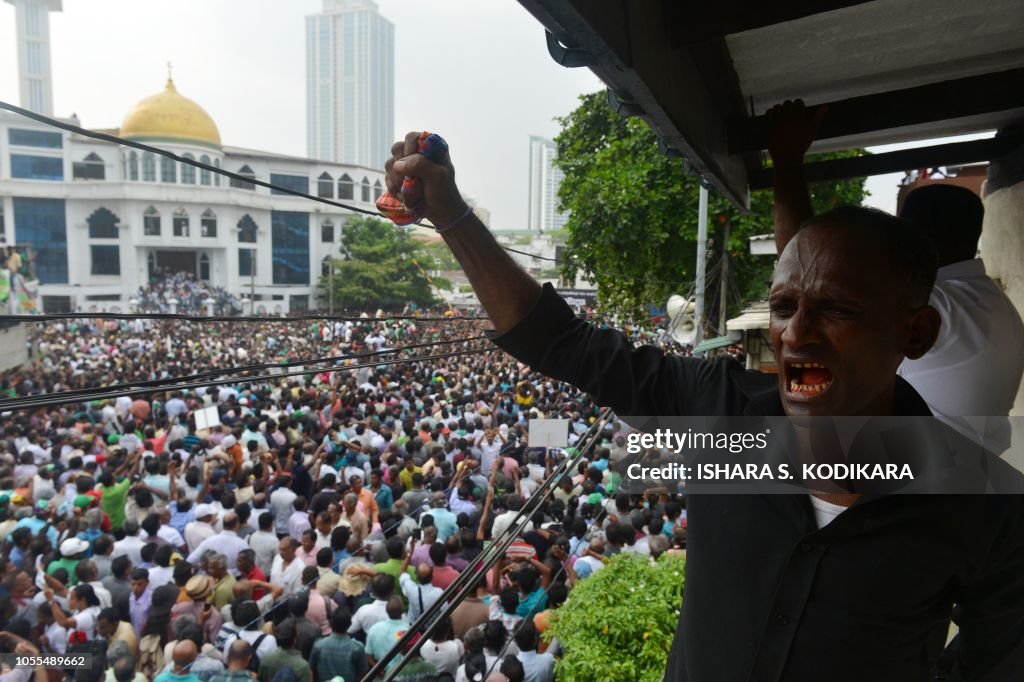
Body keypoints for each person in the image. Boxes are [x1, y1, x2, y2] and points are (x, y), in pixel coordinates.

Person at [384, 133, 1024, 680]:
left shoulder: (984, 502)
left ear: (915, 334)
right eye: (784, 307)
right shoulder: (716, 410)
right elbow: (562, 341)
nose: (797, 334)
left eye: (837, 309)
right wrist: (451, 214)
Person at [767, 99, 1024, 430]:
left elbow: (803, 264)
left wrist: (786, 161)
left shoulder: (946, 306)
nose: (795, 332)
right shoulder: (988, 303)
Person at [309, 608, 368, 682]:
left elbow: (311, 670)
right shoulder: (357, 648)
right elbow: (362, 674)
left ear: (331, 623)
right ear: (350, 624)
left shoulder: (318, 646)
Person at [364, 596, 409, 667]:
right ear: (402, 610)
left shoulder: (374, 628)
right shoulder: (408, 631)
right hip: (401, 672)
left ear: (386, 610)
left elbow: (368, 656)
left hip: (380, 673)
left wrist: (380, 672)